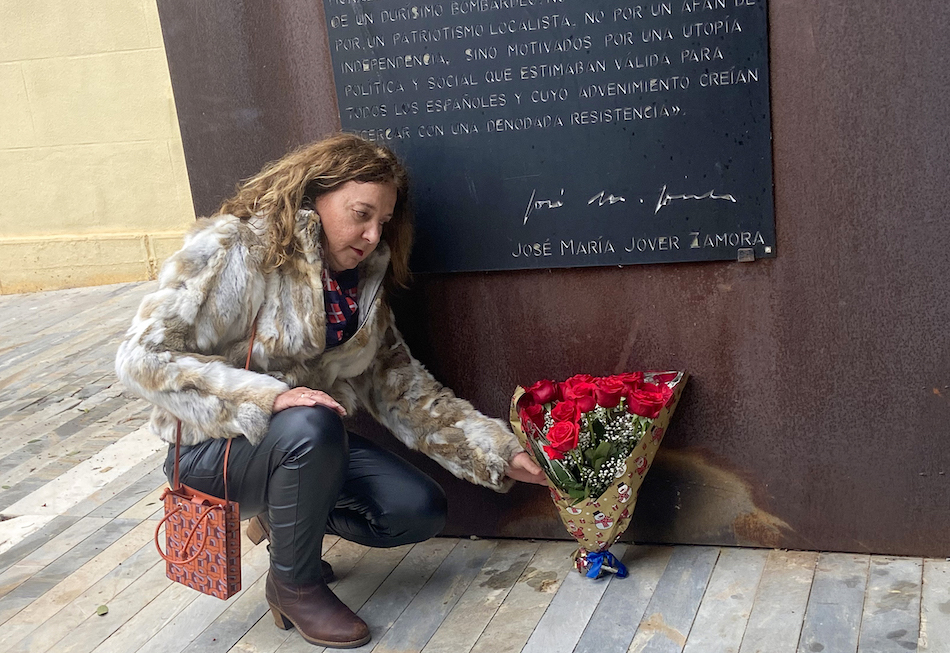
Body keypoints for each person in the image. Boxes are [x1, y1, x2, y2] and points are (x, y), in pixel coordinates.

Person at [115, 133, 545, 649]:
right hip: (211, 454)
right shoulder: (236, 248)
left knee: (415, 509)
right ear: (314, 196)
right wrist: (264, 397)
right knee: (311, 423)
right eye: (360, 214)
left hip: (303, 446)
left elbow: (400, 386)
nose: (371, 234)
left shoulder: (359, 284)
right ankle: (294, 586)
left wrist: (498, 452)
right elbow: (141, 356)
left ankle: (284, 520)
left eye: (383, 221)